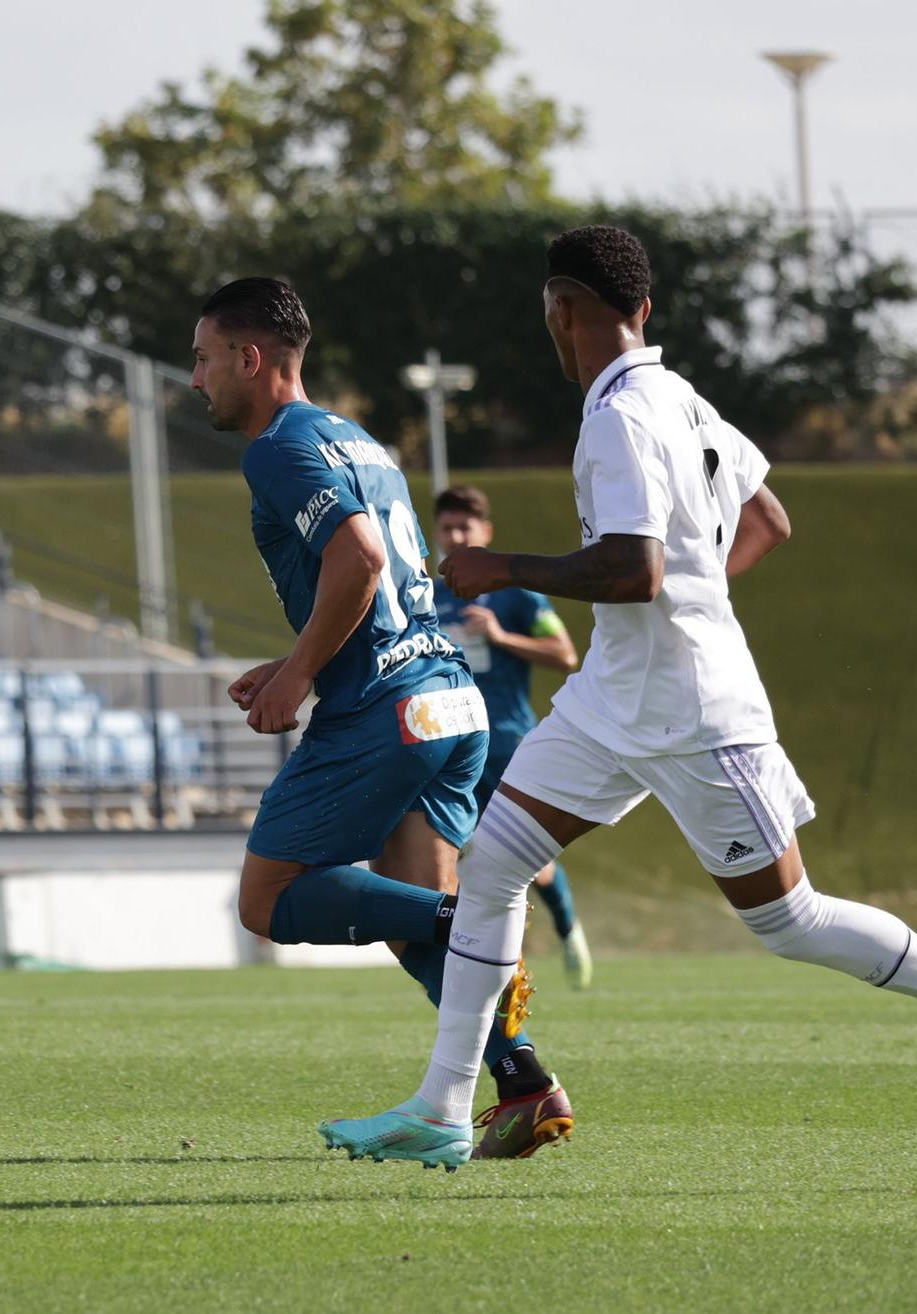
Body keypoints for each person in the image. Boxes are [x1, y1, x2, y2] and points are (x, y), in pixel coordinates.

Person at [322, 226, 917, 1170]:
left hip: (691, 710)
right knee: (493, 864)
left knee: (787, 920)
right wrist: (697, 603)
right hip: (613, 697)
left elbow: (637, 571)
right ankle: (445, 1101)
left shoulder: (619, 416)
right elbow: (768, 518)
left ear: (560, 310)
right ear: (643, 309)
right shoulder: (677, 395)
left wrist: (500, 566)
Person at [194, 277, 573, 1158]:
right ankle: (522, 1084)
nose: (197, 378)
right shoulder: (363, 442)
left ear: (252, 360)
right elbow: (385, 580)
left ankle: (471, 925)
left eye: (206, 359)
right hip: (447, 697)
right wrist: (296, 662)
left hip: (386, 710)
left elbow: (361, 561)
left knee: (269, 899)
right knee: (404, 917)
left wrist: (298, 678)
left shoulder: (276, 447)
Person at [431, 485, 592, 991]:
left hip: (507, 742)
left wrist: (501, 637)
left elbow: (564, 653)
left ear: (486, 533)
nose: (456, 536)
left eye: (466, 528)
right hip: (448, 745)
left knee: (523, 860)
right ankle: (491, 970)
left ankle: (566, 929)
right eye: (448, 528)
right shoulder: (425, 592)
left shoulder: (515, 592)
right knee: (462, 860)